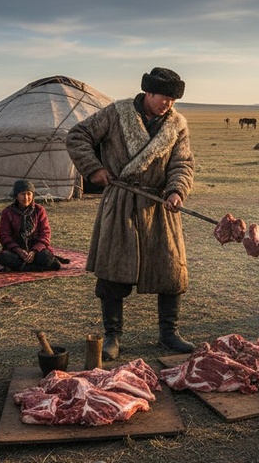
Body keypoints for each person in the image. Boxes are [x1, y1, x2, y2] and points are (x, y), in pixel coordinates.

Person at [65, 67, 194, 361]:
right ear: (148, 92)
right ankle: (112, 335)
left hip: (159, 204)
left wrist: (177, 191)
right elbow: (77, 136)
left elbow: (182, 162)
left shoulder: (177, 124)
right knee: (113, 270)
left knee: (171, 270)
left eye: (173, 99)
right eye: (164, 97)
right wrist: (94, 168)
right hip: (121, 200)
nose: (168, 104)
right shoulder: (116, 113)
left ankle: (168, 333)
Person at [0, 180, 65, 272]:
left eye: (29, 194)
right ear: (16, 196)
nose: (26, 197)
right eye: (22, 194)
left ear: (33, 195)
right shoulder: (7, 212)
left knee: (46, 256)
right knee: (3, 257)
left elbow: (45, 234)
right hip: (16, 251)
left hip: (37, 251)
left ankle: (21, 267)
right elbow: (4, 236)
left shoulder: (39, 210)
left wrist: (34, 251)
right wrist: (19, 251)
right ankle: (38, 267)